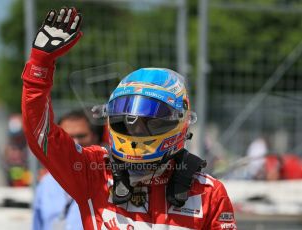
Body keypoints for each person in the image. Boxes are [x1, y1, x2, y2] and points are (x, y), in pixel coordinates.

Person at [22, 7, 237, 229]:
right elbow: (42, 136)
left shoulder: (208, 193)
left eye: (150, 122)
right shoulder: (94, 173)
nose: (136, 131)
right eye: (127, 122)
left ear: (179, 122)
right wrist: (40, 65)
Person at [33, 110, 102, 230]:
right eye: (68, 137)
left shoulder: (108, 180)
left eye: (81, 136)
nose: (76, 143)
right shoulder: (46, 184)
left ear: (95, 137)